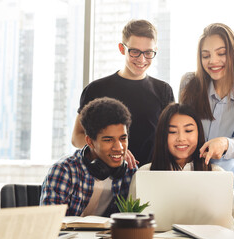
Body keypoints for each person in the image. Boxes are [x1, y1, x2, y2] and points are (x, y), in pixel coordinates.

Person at [179, 23, 234, 217]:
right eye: (206, 55)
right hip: (191, 181)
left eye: (221, 53)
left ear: (233, 53)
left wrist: (225, 143)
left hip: (232, 184)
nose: (213, 61)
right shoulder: (189, 84)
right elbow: (180, 127)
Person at [71, 19, 174, 167]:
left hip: (149, 176)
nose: (141, 59)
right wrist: (115, 150)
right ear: (122, 48)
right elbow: (77, 137)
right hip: (105, 179)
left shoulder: (164, 90)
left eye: (148, 52)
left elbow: (170, 137)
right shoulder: (96, 89)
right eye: (134, 52)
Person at [135, 103, 234, 222]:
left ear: (199, 133)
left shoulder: (217, 174)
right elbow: (130, 222)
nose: (181, 138)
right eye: (172, 132)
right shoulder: (144, 174)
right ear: (162, 136)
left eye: (188, 130)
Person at [41, 97, 136, 216]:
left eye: (123, 138)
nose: (119, 148)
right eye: (108, 140)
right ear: (90, 141)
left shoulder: (129, 171)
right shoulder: (64, 170)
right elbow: (49, 224)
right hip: (70, 235)